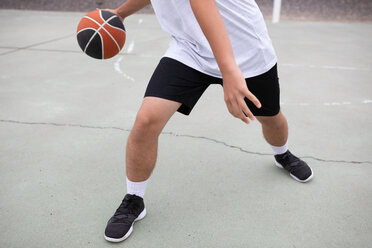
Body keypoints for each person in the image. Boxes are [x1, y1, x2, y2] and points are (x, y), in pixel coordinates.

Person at [103, 0, 313, 243]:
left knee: (271, 118)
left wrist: (229, 70)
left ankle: (282, 154)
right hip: (191, 49)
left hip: (244, 49)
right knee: (146, 121)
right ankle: (134, 199)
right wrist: (120, 13)